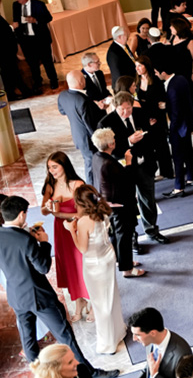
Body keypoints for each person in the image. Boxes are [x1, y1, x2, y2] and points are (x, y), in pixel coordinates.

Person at [0, 196, 117, 378]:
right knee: (65, 335)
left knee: (28, 338)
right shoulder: (25, 240)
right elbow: (43, 267)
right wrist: (44, 243)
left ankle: (40, 375)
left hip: (16, 296)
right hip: (39, 296)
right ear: (22, 214)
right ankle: (90, 374)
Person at [98, 92, 169, 250]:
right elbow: (109, 150)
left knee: (148, 200)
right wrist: (129, 141)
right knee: (128, 207)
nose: (125, 112)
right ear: (114, 107)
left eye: (128, 108)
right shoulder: (106, 123)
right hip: (123, 170)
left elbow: (153, 136)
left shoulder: (141, 113)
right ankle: (132, 239)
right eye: (121, 109)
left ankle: (151, 230)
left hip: (145, 165)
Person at [65, 184, 126, 354]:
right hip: (107, 256)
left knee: (100, 302)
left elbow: (83, 248)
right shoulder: (102, 211)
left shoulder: (85, 221)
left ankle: (108, 343)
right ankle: (118, 330)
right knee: (111, 295)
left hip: (95, 264)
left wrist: (71, 231)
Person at [40, 152, 90, 322]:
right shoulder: (50, 185)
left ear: (64, 165)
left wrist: (59, 213)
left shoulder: (77, 184)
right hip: (61, 232)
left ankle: (92, 303)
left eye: (55, 166)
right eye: (49, 167)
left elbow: (82, 212)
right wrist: (48, 207)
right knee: (70, 268)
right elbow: (43, 211)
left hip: (75, 229)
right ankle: (79, 302)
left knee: (82, 265)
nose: (51, 170)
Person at [91, 128, 145, 277]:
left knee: (115, 234)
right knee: (124, 236)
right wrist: (128, 163)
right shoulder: (109, 163)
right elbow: (127, 181)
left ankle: (121, 260)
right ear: (111, 144)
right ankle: (127, 269)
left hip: (107, 205)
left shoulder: (97, 156)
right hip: (119, 205)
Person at [153, 57, 193, 198]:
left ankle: (179, 187)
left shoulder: (171, 88)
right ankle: (191, 177)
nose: (155, 74)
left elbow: (176, 112)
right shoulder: (181, 79)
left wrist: (171, 127)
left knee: (178, 157)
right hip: (188, 122)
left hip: (179, 127)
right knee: (189, 151)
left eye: (156, 72)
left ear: (163, 72)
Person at [126, 307, 193, 378]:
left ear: (152, 333)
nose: (134, 339)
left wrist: (155, 376)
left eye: (137, 335)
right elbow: (151, 364)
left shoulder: (182, 356)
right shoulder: (150, 340)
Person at [57, 71, 105, 186]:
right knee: (91, 164)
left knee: (90, 162)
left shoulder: (63, 95)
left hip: (78, 135)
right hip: (88, 139)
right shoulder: (83, 101)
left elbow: (62, 111)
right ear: (81, 82)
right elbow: (90, 124)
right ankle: (91, 188)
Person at [135, 55, 174, 179]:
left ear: (146, 66)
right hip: (145, 118)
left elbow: (161, 100)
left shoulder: (156, 81)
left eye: (140, 65)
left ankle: (167, 171)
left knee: (162, 145)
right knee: (150, 146)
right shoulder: (137, 82)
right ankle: (152, 172)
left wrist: (155, 113)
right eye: (136, 66)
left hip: (157, 117)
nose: (137, 68)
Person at [29, 343, 99, 378]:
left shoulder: (81, 370)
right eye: (70, 362)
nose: (77, 363)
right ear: (56, 371)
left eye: (74, 358)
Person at [169, 17, 193, 86]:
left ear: (178, 27)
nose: (170, 28)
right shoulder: (173, 37)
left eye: (172, 26)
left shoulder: (190, 41)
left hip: (185, 71)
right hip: (174, 70)